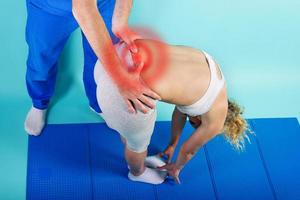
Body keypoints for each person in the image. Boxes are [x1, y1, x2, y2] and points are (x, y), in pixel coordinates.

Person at [94, 40, 252, 184]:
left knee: (128, 124)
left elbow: (181, 111)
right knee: (137, 143)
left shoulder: (213, 71)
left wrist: (171, 145)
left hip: (111, 56)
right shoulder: (215, 121)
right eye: (194, 124)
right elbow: (188, 150)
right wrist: (176, 167)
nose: (191, 121)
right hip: (120, 90)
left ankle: (119, 121)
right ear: (199, 120)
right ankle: (137, 173)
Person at [24, 0, 160, 135]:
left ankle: (97, 102)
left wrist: (120, 21)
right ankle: (39, 102)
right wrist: (120, 77)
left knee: (100, 59)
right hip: (49, 6)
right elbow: (84, 9)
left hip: (104, 3)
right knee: (41, 59)